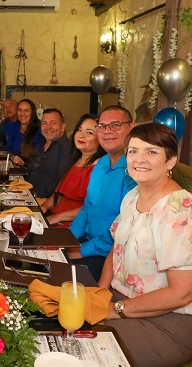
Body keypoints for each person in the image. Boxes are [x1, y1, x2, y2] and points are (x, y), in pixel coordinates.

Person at [99, 123, 192, 367]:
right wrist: (100, 293)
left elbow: (181, 293)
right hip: (123, 303)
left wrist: (113, 309)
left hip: (167, 325)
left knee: (82, 349)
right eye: (133, 151)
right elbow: (116, 249)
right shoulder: (133, 196)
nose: (140, 159)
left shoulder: (179, 209)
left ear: (170, 161)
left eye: (151, 152)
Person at [69, 105, 137, 281]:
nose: (107, 131)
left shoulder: (136, 171)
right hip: (87, 240)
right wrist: (68, 238)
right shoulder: (100, 164)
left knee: (55, 274)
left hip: (109, 256)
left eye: (115, 125)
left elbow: (122, 230)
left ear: (132, 128)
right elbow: (87, 207)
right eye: (102, 126)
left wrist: (80, 251)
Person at [41, 114, 105, 227]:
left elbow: (91, 208)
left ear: (100, 139)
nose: (81, 135)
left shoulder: (100, 168)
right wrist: (44, 207)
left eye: (89, 132)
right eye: (80, 130)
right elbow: (59, 194)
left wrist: (57, 217)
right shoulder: (75, 160)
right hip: (55, 217)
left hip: (74, 224)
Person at [26, 108, 72, 198]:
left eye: (53, 123)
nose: (48, 127)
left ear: (63, 127)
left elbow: (62, 183)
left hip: (46, 202)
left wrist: (37, 195)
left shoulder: (66, 148)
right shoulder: (41, 144)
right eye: (44, 123)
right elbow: (32, 170)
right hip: (28, 194)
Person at [6, 99, 44, 166]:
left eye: (26, 111)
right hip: (14, 169)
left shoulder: (39, 131)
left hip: (31, 171)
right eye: (20, 110)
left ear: (32, 113)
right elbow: (8, 148)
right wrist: (12, 157)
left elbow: (39, 157)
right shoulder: (13, 127)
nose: (22, 114)